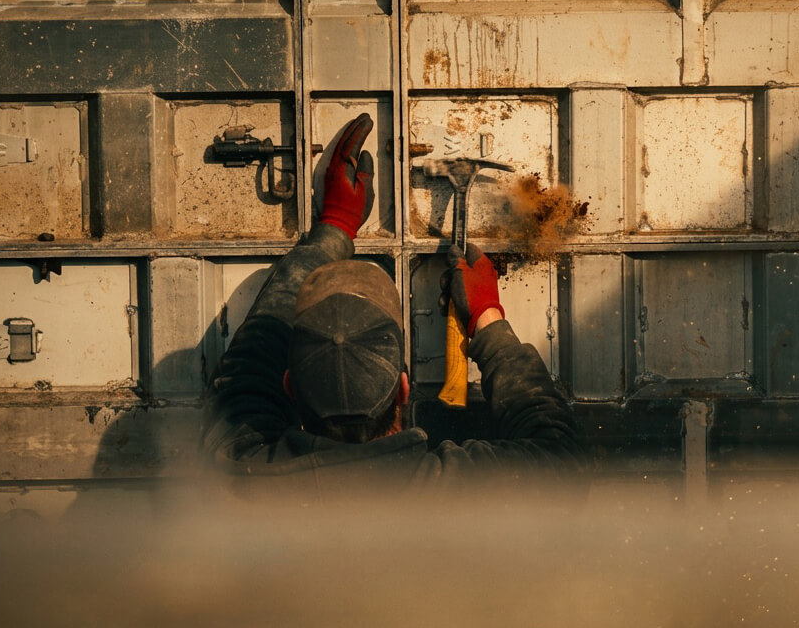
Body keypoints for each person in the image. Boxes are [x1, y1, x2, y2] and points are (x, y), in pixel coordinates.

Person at [200, 114, 588, 498]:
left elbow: (248, 370)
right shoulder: (459, 501)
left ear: (289, 385)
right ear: (404, 389)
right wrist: (486, 315)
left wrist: (334, 225)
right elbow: (559, 458)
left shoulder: (239, 475)